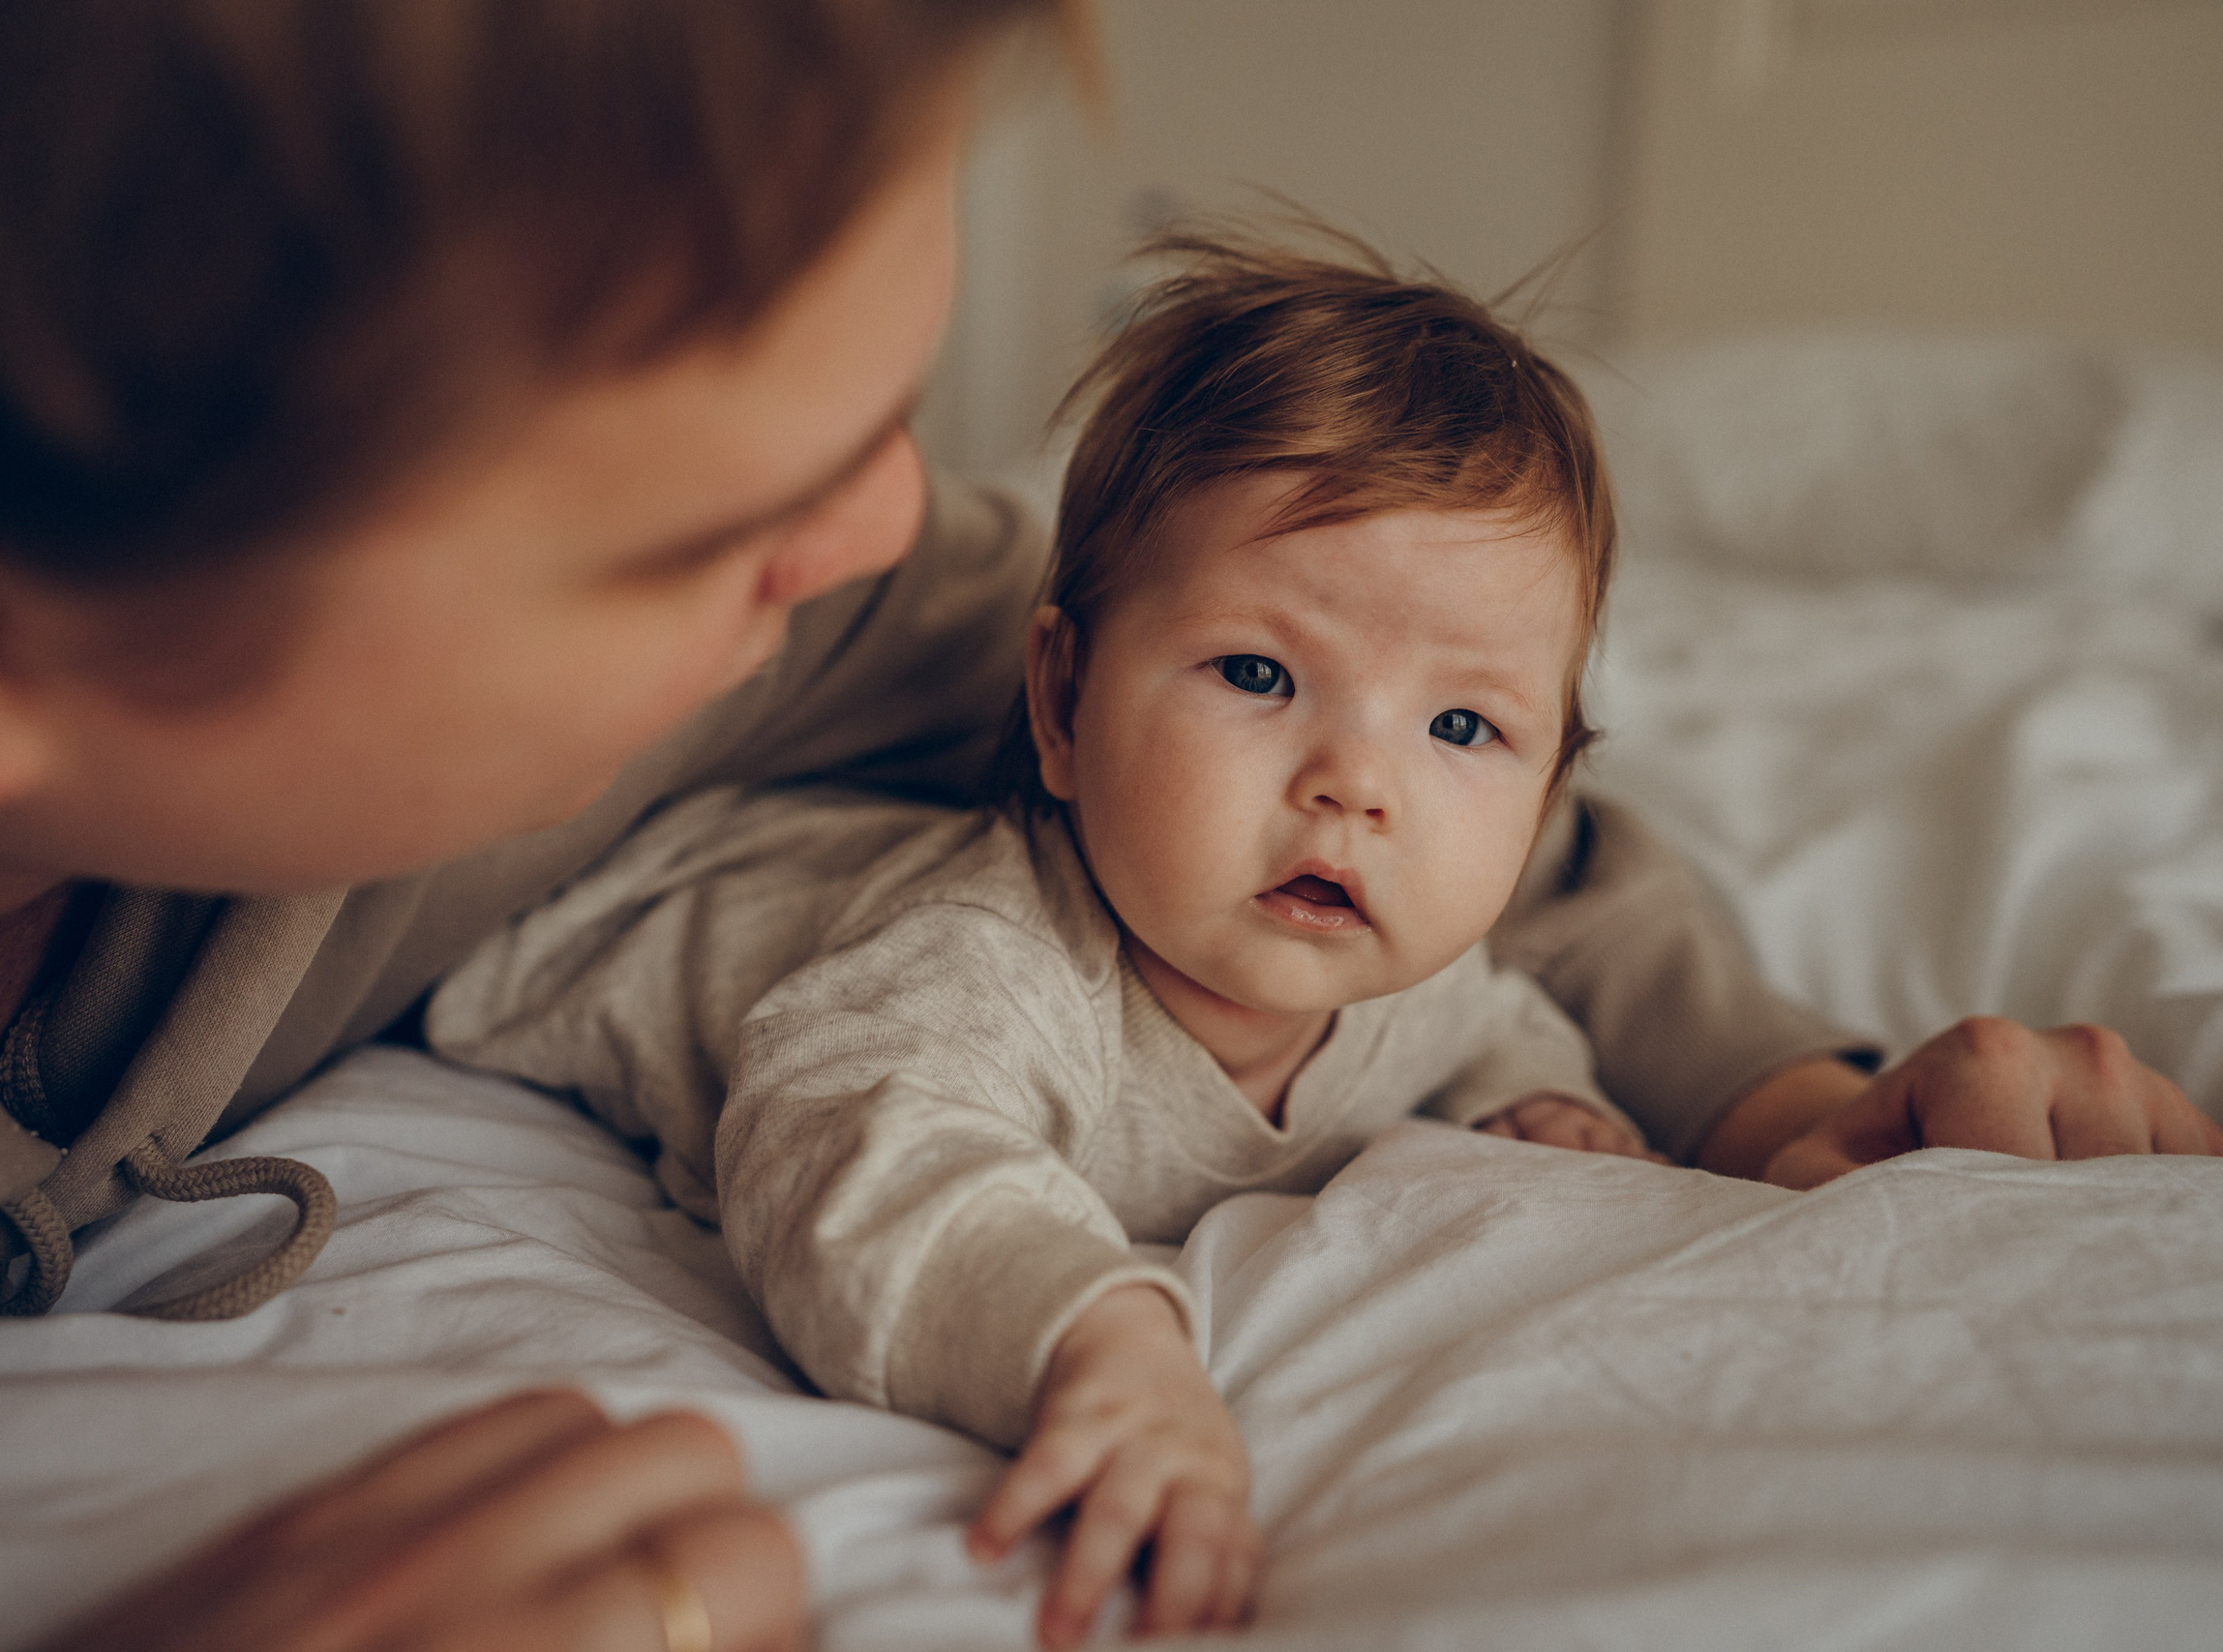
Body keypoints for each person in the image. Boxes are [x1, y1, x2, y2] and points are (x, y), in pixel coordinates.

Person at [0, 4, 2211, 1651]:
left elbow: (1433, 823)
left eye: (887, 427)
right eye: (700, 525)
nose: (879, 543)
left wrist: (1768, 1091)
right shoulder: (919, 937)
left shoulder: (857, 606)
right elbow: (882, 1113)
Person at [430, 233, 1659, 1644]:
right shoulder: (986, 965)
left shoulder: (1413, 986)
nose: (1356, 782)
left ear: (1555, 778)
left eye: (1463, 727)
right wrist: (1098, 1337)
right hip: (596, 906)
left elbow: (1495, 1013)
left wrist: (1543, 1100)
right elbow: (864, 1145)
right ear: (1063, 703)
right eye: (1258, 673)